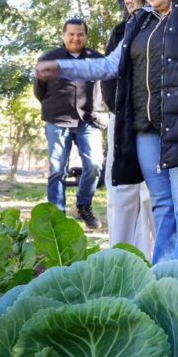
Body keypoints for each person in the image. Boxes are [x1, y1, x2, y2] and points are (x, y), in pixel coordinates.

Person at [36, 0, 178, 263]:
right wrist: (61, 68)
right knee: (162, 205)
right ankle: (166, 276)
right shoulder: (139, 23)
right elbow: (110, 65)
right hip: (146, 130)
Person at [99, 0, 155, 257]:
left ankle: (154, 257)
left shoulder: (162, 25)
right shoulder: (119, 31)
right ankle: (120, 255)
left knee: (152, 195)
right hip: (123, 123)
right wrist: (120, 110)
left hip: (153, 125)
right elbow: (108, 81)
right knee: (121, 193)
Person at [34, 18, 105, 229]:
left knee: (94, 165)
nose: (76, 38)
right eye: (71, 34)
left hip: (90, 120)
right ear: (64, 35)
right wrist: (55, 105)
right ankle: (56, 217)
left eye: (80, 34)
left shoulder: (97, 59)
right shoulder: (48, 59)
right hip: (58, 119)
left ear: (85, 35)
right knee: (57, 169)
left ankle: (83, 206)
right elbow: (39, 90)